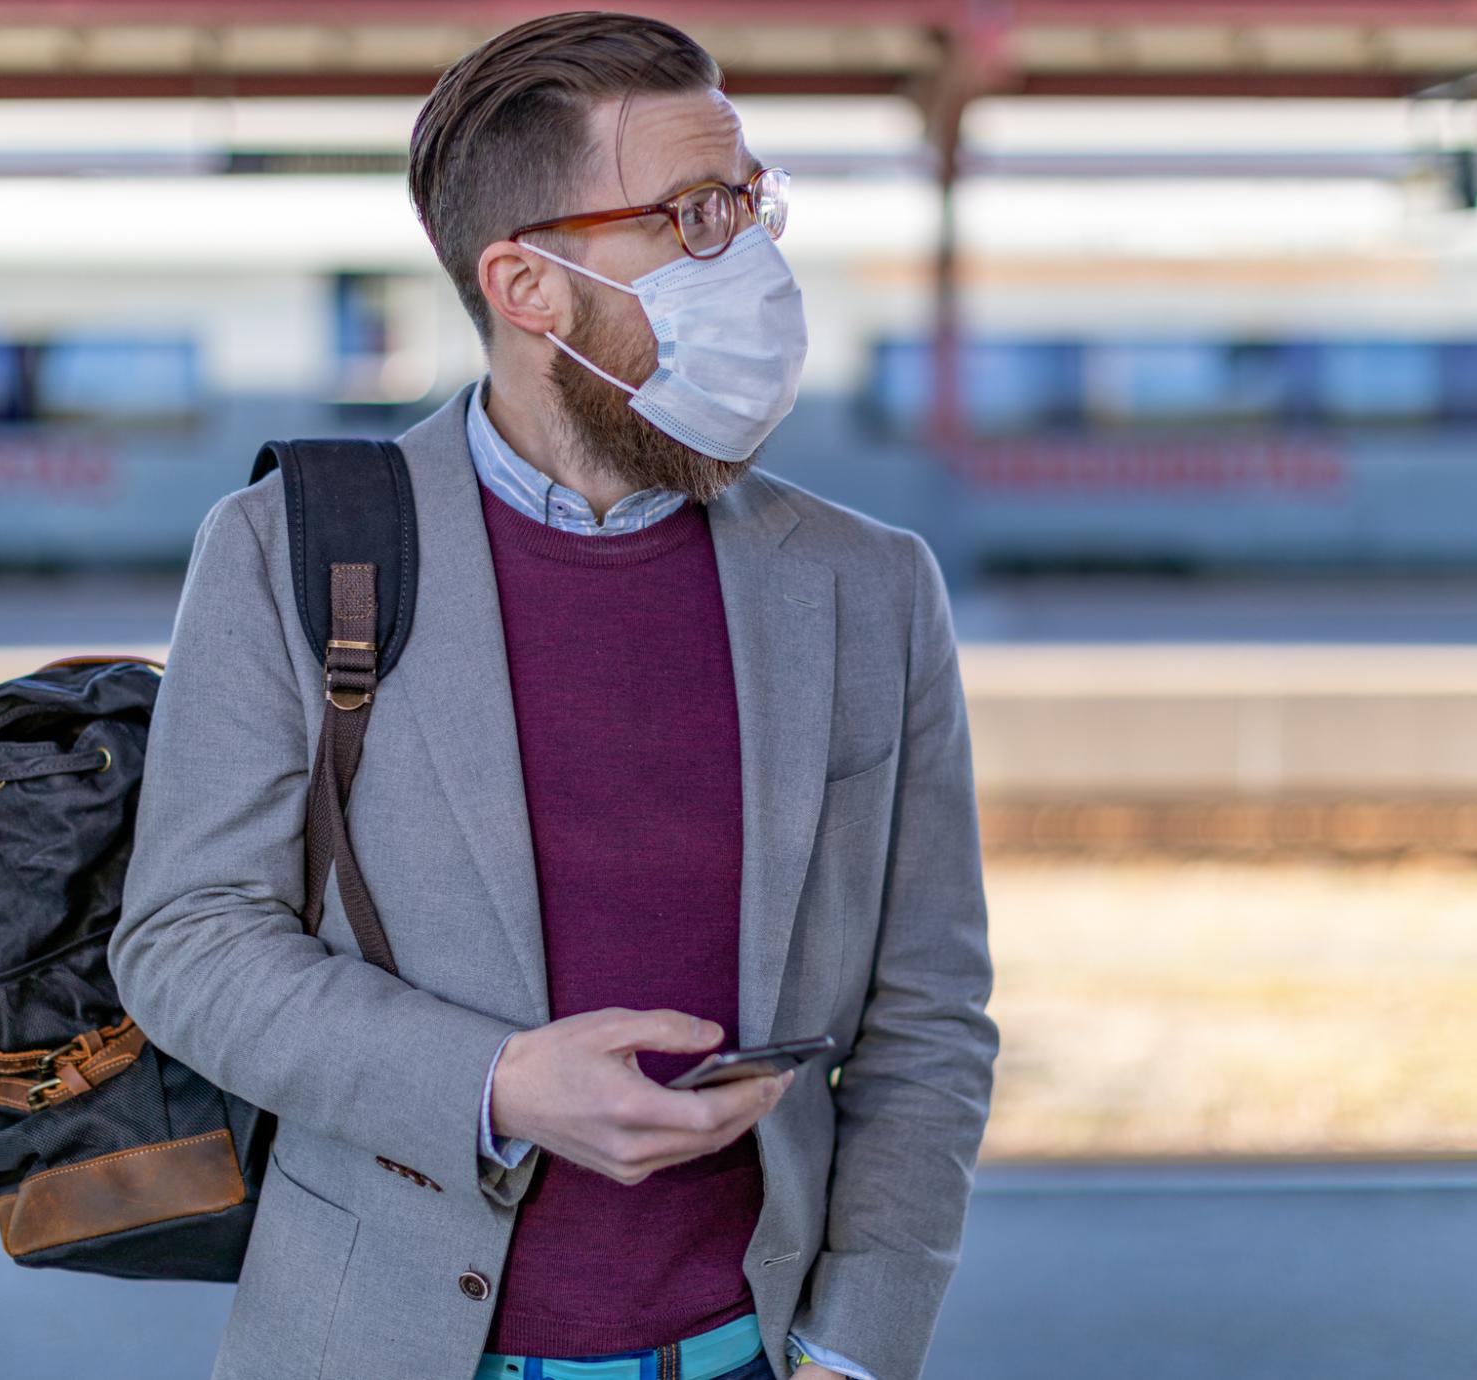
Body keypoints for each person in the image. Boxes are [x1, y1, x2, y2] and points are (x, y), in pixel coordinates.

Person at [108, 11, 998, 1380]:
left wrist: (859, 1346)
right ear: (526, 287)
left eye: (754, 205)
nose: (754, 258)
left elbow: (927, 1012)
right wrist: (498, 1085)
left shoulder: (869, 587)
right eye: (696, 218)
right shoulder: (289, 547)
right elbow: (186, 940)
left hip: (752, 1356)